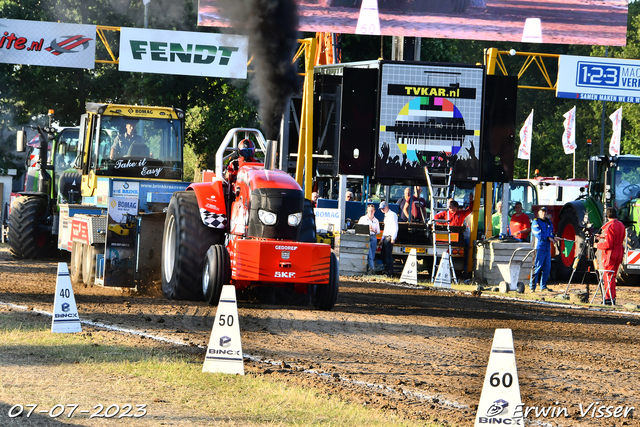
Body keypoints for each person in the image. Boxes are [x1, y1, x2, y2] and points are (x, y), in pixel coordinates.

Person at [596, 207, 626, 305]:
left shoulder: (608, 227)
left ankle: (609, 298)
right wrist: (603, 236)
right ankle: (612, 296)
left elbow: (608, 244)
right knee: (613, 275)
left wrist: (597, 245)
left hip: (610, 253)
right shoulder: (621, 225)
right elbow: (618, 237)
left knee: (608, 276)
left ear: (607, 215)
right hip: (619, 252)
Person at [530, 206, 560, 292]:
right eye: (542, 211)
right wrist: (548, 238)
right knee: (536, 267)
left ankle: (543, 286)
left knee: (547, 268)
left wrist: (554, 238)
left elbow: (550, 234)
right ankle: (532, 287)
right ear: (538, 213)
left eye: (545, 212)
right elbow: (538, 234)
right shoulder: (535, 222)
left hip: (547, 249)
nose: (543, 213)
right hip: (538, 248)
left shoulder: (549, 222)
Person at [358, 204, 380, 274]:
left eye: (372, 211)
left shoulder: (376, 220)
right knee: (369, 254)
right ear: (367, 211)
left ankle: (369, 269)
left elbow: (378, 231)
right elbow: (358, 229)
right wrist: (367, 229)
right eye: (369, 211)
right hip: (366, 237)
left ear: (374, 211)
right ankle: (372, 269)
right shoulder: (363, 219)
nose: (371, 212)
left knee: (372, 255)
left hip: (373, 237)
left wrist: (373, 229)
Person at [379, 201, 398, 276]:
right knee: (384, 254)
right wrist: (382, 238)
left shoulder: (392, 215)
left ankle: (389, 271)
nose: (382, 210)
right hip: (386, 236)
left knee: (388, 255)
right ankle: (387, 270)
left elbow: (395, 227)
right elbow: (386, 228)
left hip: (389, 236)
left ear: (387, 207)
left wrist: (393, 238)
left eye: (383, 208)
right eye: (381, 209)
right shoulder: (387, 215)